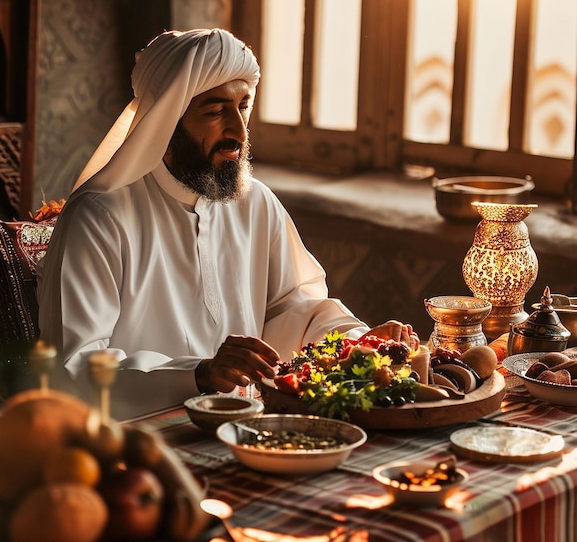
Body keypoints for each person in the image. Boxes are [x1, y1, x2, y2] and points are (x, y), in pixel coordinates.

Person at [37, 28, 418, 420]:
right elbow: (77, 366)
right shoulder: (100, 217)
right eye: (216, 111)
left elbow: (293, 307)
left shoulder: (256, 202)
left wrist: (356, 341)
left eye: (244, 106)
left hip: (247, 425)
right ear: (165, 121)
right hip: (139, 439)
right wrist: (199, 375)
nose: (238, 130)